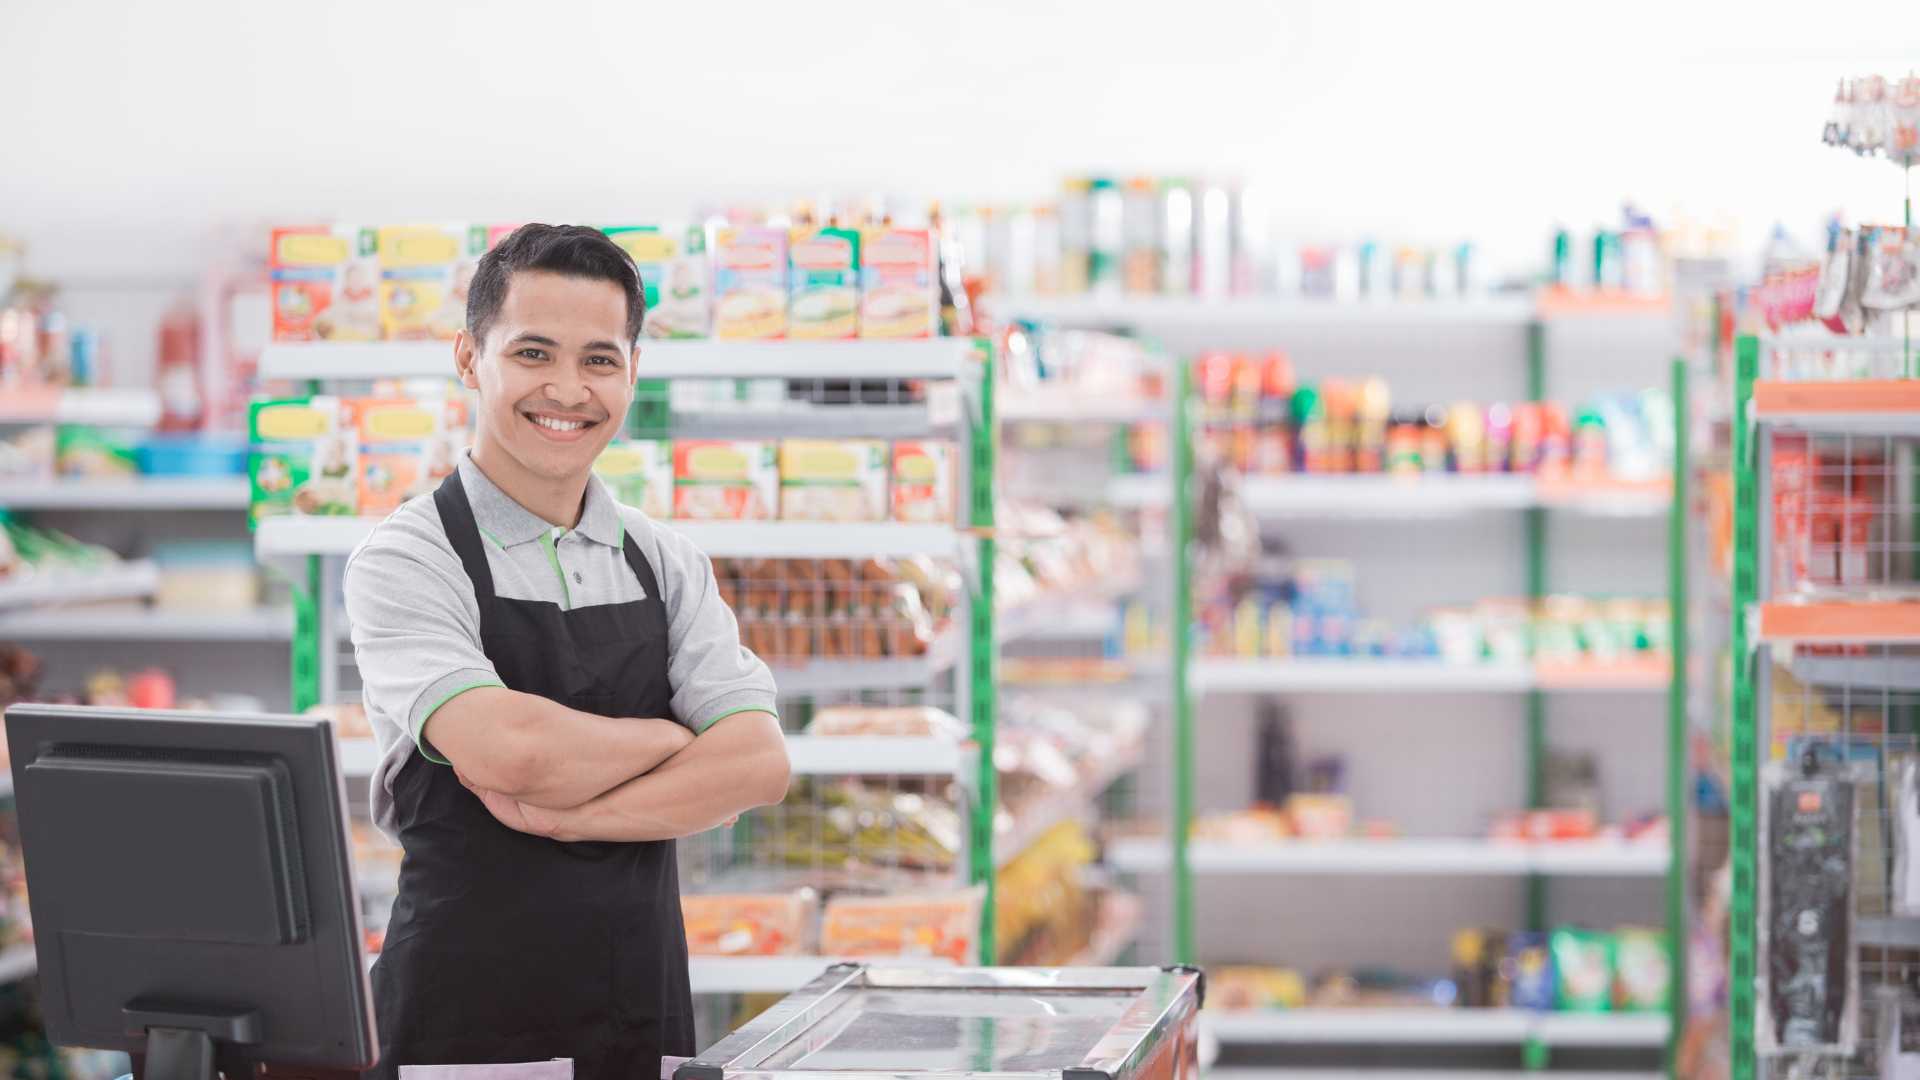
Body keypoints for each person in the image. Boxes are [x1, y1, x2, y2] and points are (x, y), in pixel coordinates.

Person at [344, 224, 789, 1080]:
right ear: (470, 359)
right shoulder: (410, 556)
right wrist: (674, 742)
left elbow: (758, 765)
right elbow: (506, 749)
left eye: (599, 360)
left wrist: (566, 814)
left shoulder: (662, 559)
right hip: (465, 1018)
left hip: (640, 1004)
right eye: (534, 353)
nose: (567, 389)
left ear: (631, 374)